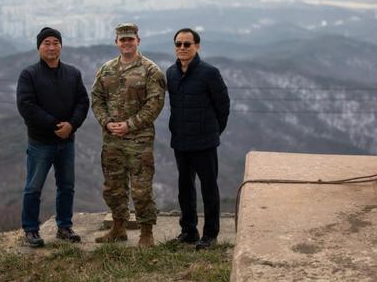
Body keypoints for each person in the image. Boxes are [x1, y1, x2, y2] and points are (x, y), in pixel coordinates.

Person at [91, 23, 166, 248]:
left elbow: (155, 103)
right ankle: (118, 227)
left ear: (138, 41)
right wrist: (106, 122)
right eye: (122, 39)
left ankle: (146, 233)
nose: (126, 43)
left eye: (130, 39)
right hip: (112, 139)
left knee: (141, 188)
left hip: (139, 140)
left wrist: (130, 125)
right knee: (113, 187)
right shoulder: (106, 70)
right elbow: (96, 98)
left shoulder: (151, 70)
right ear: (116, 42)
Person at [16, 27, 89, 247]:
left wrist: (72, 125)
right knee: (33, 187)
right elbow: (26, 106)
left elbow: (83, 102)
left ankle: (64, 227)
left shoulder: (73, 73)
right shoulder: (29, 74)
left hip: (67, 142)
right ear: (39, 47)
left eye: (55, 42)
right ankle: (30, 230)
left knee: (67, 186)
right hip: (41, 143)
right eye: (46, 42)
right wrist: (56, 125)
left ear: (61, 46)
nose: (51, 46)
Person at [166, 28, 230, 250]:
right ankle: (189, 231)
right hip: (181, 141)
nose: (182, 48)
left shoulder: (209, 73)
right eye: (178, 44)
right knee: (185, 187)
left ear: (197, 46)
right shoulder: (171, 73)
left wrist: (212, 131)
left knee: (209, 188)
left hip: (204, 142)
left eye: (187, 44)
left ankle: (210, 235)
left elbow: (223, 107)